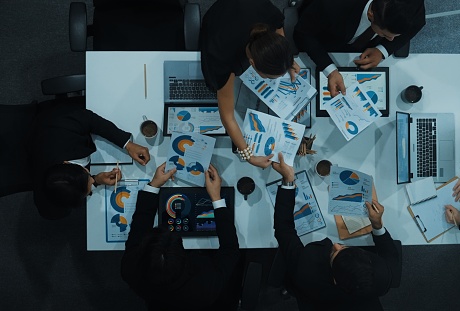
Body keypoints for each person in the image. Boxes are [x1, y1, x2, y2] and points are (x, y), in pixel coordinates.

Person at [271, 153, 400, 310]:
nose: (338, 245)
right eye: (345, 247)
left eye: (335, 253)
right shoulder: (383, 277)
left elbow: (283, 229)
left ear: (335, 280)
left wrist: (288, 182)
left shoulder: (305, 267)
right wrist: (377, 225)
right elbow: (391, 256)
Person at [121, 163, 241, 310]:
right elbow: (231, 250)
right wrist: (216, 198)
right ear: (184, 255)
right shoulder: (207, 285)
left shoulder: (131, 270)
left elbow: (139, 226)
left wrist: (154, 186)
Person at [200, 0, 299, 168]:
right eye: (269, 77)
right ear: (251, 63)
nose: (272, 81)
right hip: (219, 21)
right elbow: (228, 116)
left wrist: (286, 59)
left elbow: (279, 26)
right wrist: (248, 155)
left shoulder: (266, 15)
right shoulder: (223, 56)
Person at [29, 97, 150, 220]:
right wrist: (96, 180)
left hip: (55, 116)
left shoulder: (62, 128)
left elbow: (91, 120)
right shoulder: (51, 206)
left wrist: (127, 145)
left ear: (66, 163)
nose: (91, 181)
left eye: (88, 177)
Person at [294, 0, 426, 97]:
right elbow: (303, 33)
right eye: (385, 35)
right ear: (371, 13)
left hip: (364, 43)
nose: (391, 39)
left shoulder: (413, 7)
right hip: (327, 36)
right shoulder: (331, 5)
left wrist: (383, 50)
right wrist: (330, 71)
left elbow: (418, 23)